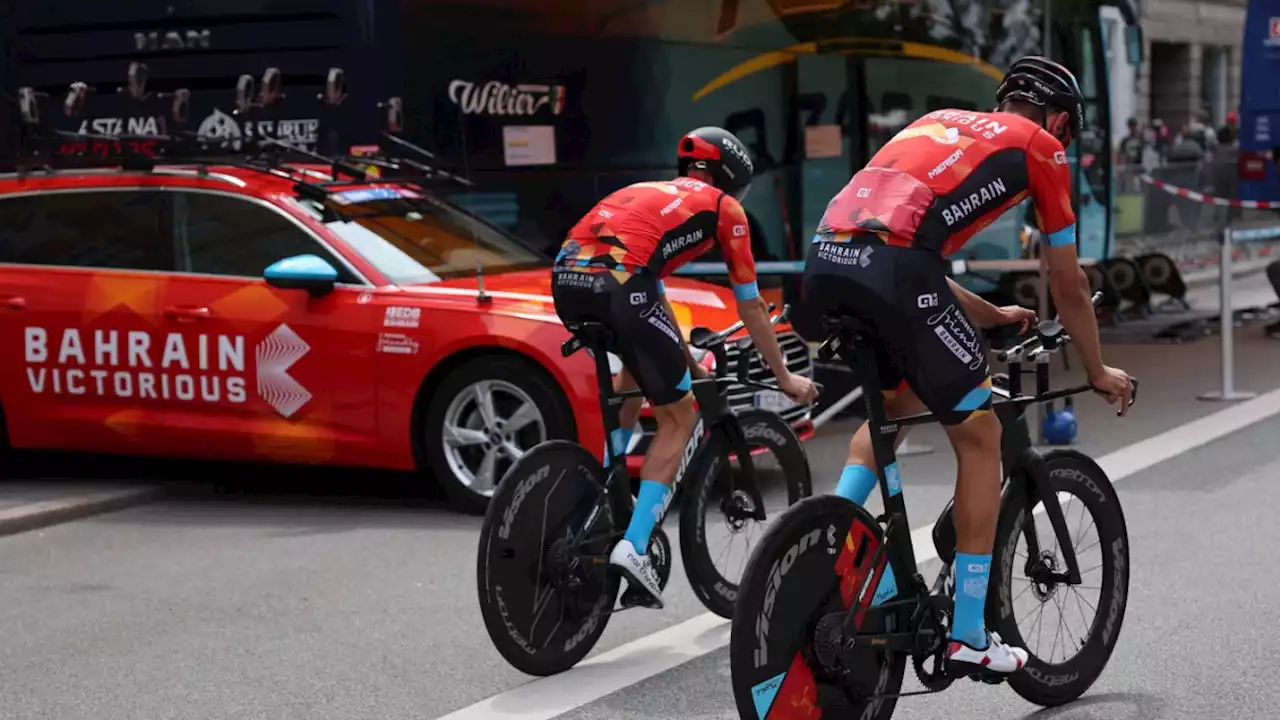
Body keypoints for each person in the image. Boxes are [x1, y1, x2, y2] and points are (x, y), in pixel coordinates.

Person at [800, 55, 1135, 677]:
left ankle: (827, 550)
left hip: (825, 264)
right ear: (1059, 120)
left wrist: (990, 313)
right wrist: (1096, 369)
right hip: (898, 270)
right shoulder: (1041, 146)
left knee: (893, 408)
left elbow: (895, 249)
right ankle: (969, 633)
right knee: (980, 434)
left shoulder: (935, 124)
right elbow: (1066, 281)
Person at [551, 126, 819, 609]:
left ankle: (612, 484)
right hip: (622, 284)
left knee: (634, 372)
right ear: (732, 179)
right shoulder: (723, 208)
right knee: (681, 414)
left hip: (566, 278)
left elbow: (646, 288)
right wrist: (785, 377)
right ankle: (634, 546)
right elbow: (752, 307)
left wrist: (683, 352)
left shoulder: (645, 193)